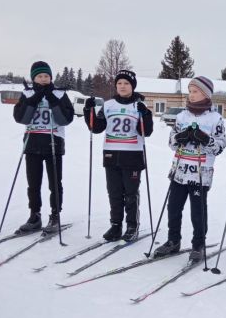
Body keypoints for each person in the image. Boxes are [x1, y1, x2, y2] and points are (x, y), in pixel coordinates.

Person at [154, 76, 226, 262]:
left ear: (206, 94)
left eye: (195, 91)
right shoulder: (181, 116)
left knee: (198, 211)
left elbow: (219, 146)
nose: (191, 95)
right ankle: (173, 240)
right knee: (174, 207)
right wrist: (180, 137)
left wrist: (204, 138)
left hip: (200, 173)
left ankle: (198, 244)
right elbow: (171, 142)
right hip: (179, 170)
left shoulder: (215, 118)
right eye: (190, 91)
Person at [83, 70, 153, 241]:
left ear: (132, 86)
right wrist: (88, 110)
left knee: (130, 193)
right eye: (119, 83)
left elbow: (147, 131)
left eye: (126, 83)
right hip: (111, 155)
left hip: (133, 156)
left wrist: (144, 114)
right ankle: (115, 225)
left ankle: (131, 226)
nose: (122, 86)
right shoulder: (108, 105)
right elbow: (96, 128)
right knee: (114, 192)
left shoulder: (139, 106)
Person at [13, 61, 74, 233]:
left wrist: (52, 99)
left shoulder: (60, 94)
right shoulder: (27, 93)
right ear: (34, 78)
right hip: (32, 143)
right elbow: (21, 118)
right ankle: (35, 215)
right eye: (40, 76)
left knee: (54, 182)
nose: (44, 79)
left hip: (53, 142)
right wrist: (35, 99)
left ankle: (55, 215)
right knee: (33, 182)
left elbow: (65, 119)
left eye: (46, 76)